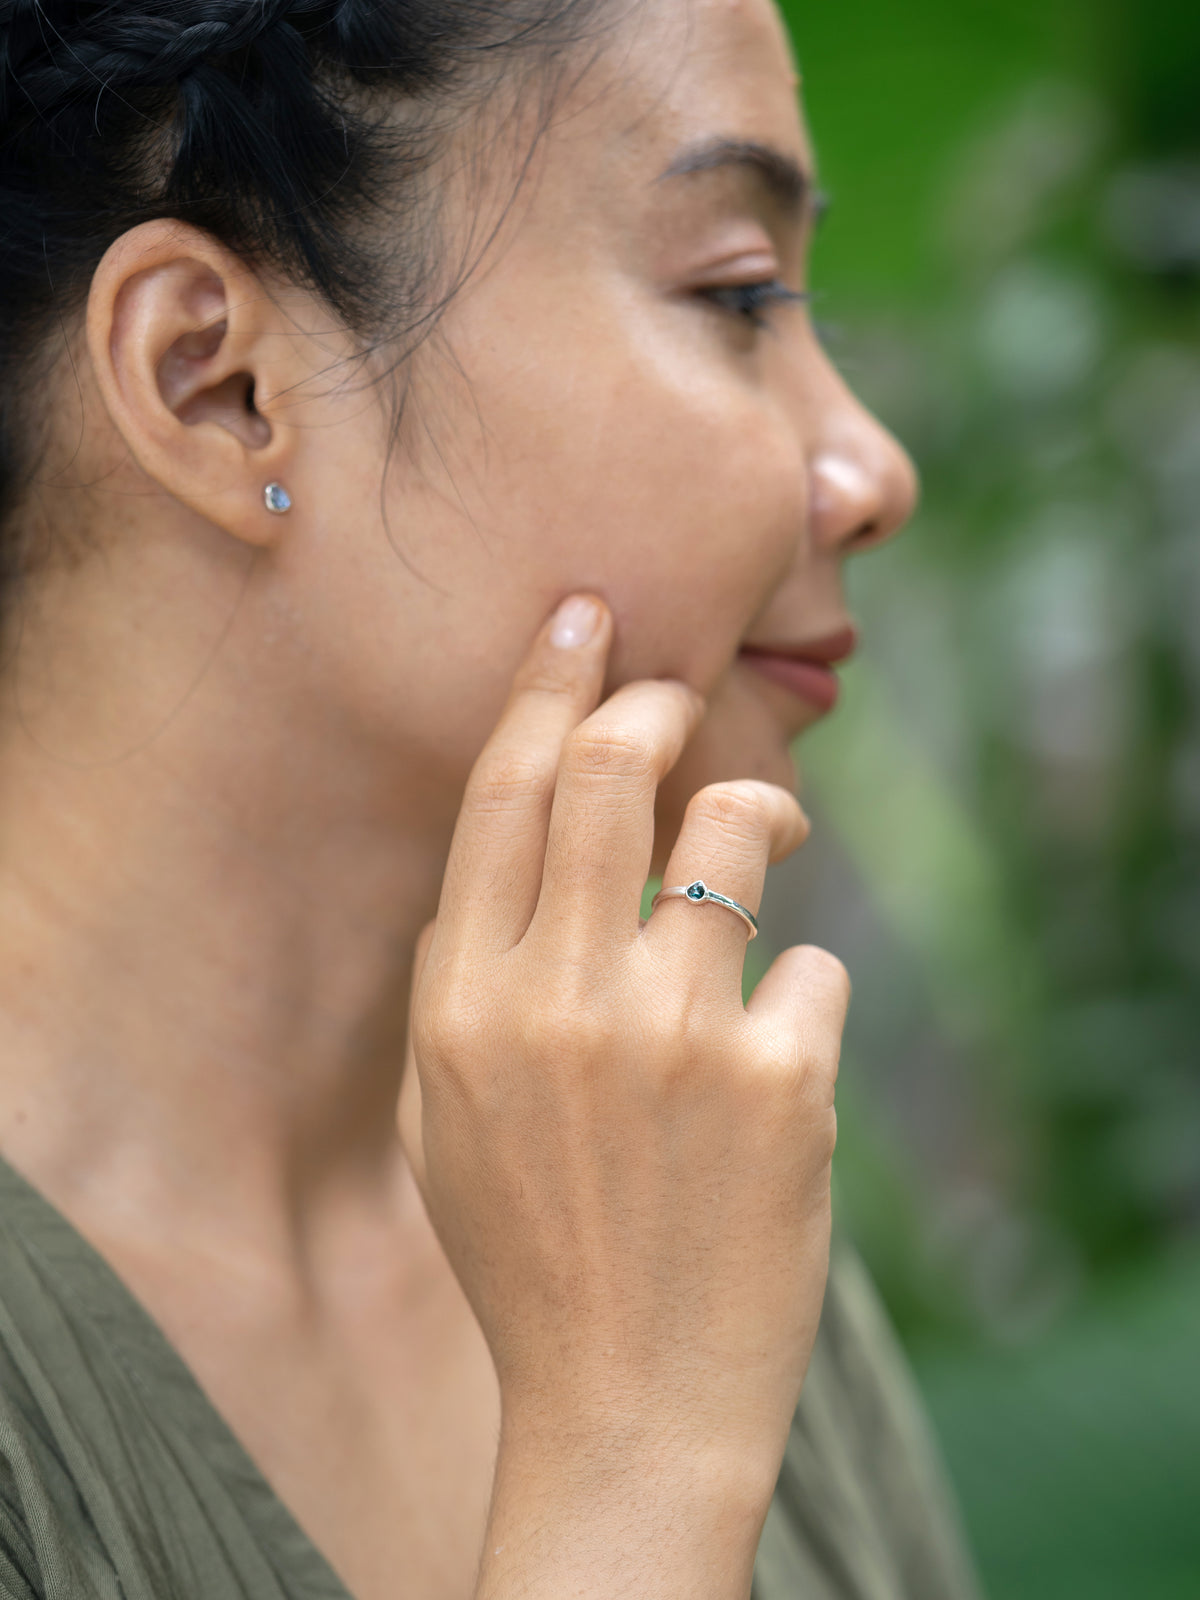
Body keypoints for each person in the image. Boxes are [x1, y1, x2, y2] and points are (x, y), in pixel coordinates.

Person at [0, 1, 987, 1596]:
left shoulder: (659, 1177)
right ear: (215, 383)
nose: (871, 468)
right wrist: (635, 1462)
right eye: (738, 294)